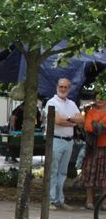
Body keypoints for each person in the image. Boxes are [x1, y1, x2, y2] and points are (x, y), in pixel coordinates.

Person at [46, 78, 83, 210]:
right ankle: (50, 200)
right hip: (56, 139)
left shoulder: (71, 103)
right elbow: (57, 120)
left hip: (68, 140)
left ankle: (59, 200)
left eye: (65, 87)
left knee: (62, 172)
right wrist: (72, 120)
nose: (63, 89)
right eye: (61, 86)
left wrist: (68, 119)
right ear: (57, 87)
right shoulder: (52, 102)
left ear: (69, 88)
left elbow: (81, 119)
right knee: (53, 170)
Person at [81, 93, 106, 209]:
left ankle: (104, 202)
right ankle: (89, 200)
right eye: (98, 98)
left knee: (104, 176)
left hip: (105, 147)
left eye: (103, 98)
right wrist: (98, 127)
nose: (100, 100)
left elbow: (99, 126)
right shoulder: (90, 111)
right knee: (90, 174)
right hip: (92, 148)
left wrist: (96, 125)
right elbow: (88, 127)